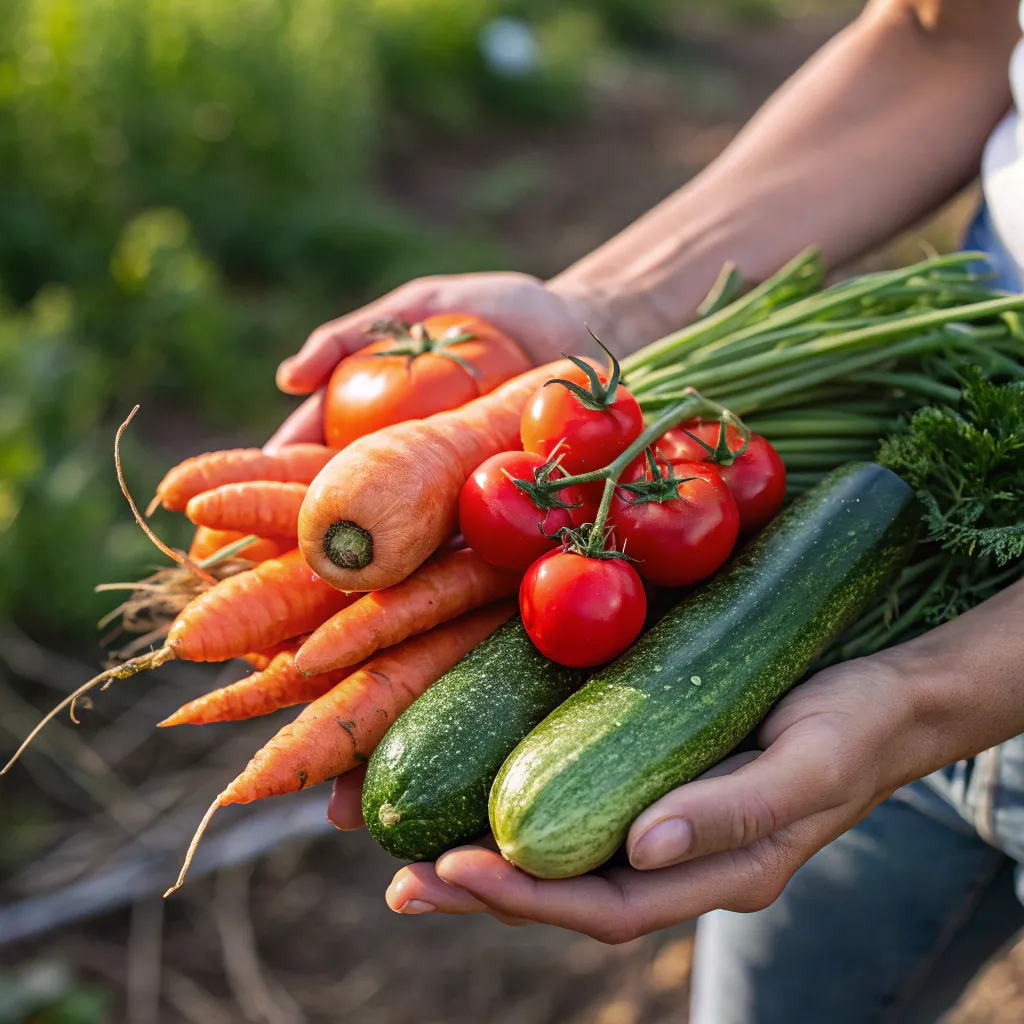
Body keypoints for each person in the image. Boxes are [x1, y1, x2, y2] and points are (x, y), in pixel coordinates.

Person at [270, 1, 1024, 1019]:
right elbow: (952, 32)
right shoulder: (833, 534)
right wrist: (606, 312)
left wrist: (921, 698)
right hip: (974, 384)